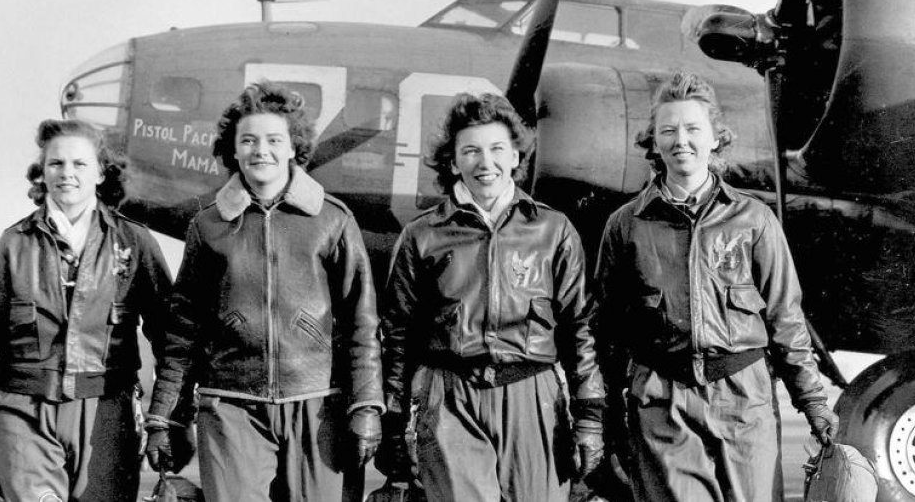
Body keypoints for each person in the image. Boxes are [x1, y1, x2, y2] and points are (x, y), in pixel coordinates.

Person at [595, 71, 838, 502]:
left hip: (744, 399)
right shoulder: (625, 226)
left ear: (716, 138)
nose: (680, 140)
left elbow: (785, 318)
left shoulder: (755, 220)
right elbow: (608, 333)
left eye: (693, 128)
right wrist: (603, 419)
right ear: (653, 142)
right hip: (662, 402)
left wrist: (814, 403)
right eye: (667, 130)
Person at [144, 81, 383, 502]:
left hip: (317, 404)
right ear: (232, 150)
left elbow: (361, 323)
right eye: (248, 140)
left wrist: (366, 406)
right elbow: (182, 331)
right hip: (229, 405)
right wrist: (164, 417)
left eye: (274, 140)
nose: (261, 150)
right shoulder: (208, 227)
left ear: (294, 147)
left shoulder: (333, 220)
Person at [378, 92, 604, 502]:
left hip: (532, 394)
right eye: (471, 151)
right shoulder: (423, 236)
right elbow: (397, 334)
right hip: (448, 397)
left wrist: (589, 414)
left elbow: (579, 326)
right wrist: (393, 419)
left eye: (498, 149)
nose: (486, 163)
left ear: (516, 156)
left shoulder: (553, 230)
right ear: (452, 162)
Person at [0, 119, 173, 502]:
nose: (66, 174)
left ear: (102, 173)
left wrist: (167, 421)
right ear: (42, 171)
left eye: (79, 164)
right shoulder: (13, 244)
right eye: (56, 164)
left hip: (107, 414)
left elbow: (171, 337)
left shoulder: (135, 242)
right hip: (23, 410)